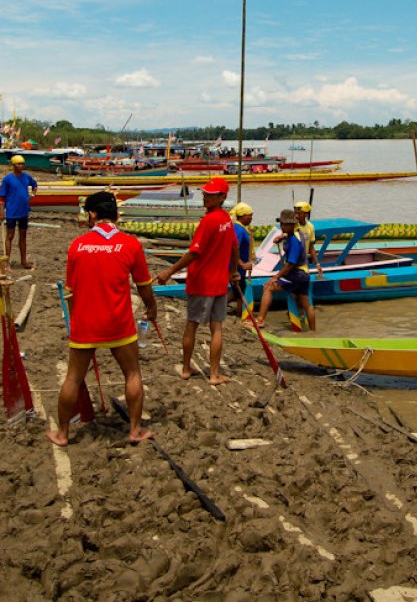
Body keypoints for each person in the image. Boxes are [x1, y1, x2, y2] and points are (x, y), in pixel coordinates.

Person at [46, 191, 157, 446]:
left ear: (92, 215)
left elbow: (71, 292)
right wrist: (152, 308)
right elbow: (143, 285)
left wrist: (74, 321)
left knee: (73, 377)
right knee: (132, 373)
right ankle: (135, 430)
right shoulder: (130, 244)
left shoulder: (78, 245)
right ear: (115, 214)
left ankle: (62, 434)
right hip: (119, 322)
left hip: (85, 323)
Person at [157, 177, 239, 384]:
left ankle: (186, 368)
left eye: (210, 194)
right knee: (216, 327)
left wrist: (170, 271)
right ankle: (213, 374)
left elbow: (194, 253)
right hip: (219, 282)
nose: (205, 197)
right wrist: (233, 272)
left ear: (221, 197)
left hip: (202, 282)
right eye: (205, 193)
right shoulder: (227, 220)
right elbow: (234, 247)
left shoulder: (209, 221)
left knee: (192, 324)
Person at [256, 209, 316, 331]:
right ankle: (313, 332)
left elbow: (290, 264)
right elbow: (289, 235)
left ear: (291, 225)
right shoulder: (298, 233)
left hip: (296, 274)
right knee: (306, 304)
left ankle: (260, 320)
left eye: (284, 224)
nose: (281, 226)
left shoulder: (293, 240)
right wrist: (282, 238)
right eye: (281, 224)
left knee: (268, 287)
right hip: (304, 274)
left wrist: (276, 276)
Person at [0, 155, 38, 269]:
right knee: (10, 236)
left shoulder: (27, 177)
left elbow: (34, 185)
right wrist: (1, 212)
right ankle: (7, 262)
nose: (21, 166)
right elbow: (2, 198)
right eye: (18, 164)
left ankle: (23, 261)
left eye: (22, 164)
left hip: (23, 212)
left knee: (23, 236)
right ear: (13, 165)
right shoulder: (7, 179)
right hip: (12, 211)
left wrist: (33, 194)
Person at [229, 201, 255, 317]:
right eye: (250, 216)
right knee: (240, 293)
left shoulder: (240, 228)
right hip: (238, 269)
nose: (251, 219)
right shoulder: (238, 229)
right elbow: (234, 248)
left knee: (236, 293)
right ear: (244, 216)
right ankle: (241, 316)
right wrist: (242, 265)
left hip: (240, 268)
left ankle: (214, 308)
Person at [294, 201, 324, 278]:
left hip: (303, 262)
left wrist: (317, 264)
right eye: (295, 213)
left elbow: (311, 247)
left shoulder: (310, 227)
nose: (296, 216)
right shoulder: (292, 226)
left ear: (306, 214)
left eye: (299, 213)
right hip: (292, 262)